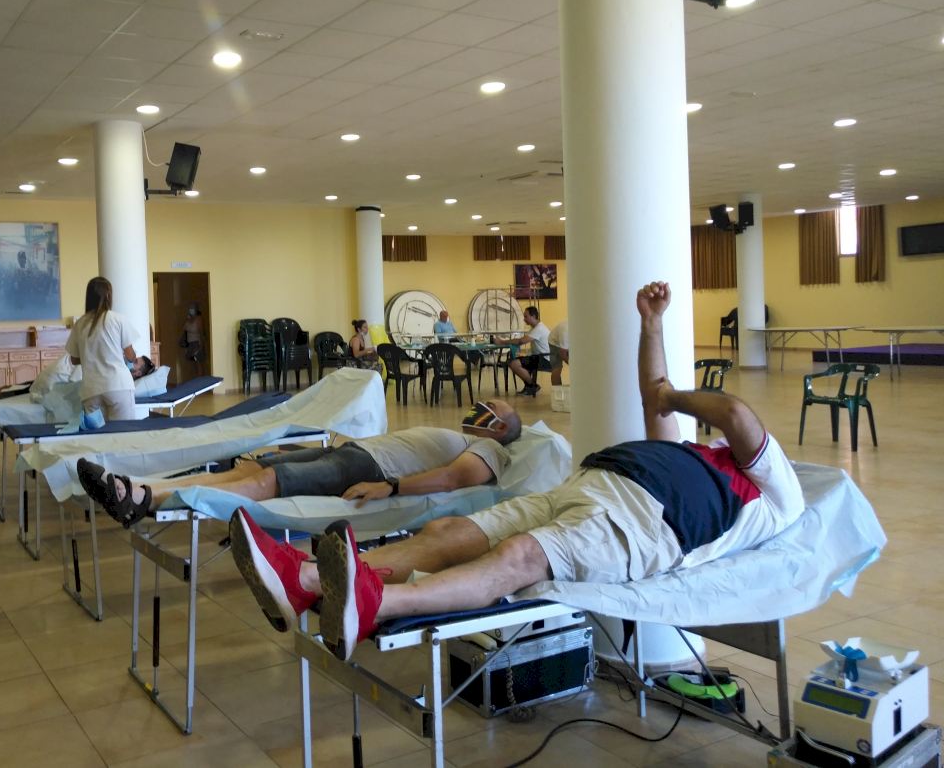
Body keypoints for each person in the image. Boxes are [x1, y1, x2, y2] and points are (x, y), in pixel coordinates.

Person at [230, 281, 805, 658]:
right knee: (447, 532)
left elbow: (730, 412)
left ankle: (373, 605)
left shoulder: (775, 491)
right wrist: (652, 326)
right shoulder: (696, 457)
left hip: (640, 525)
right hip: (588, 488)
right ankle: (309, 579)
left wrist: (671, 396)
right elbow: (654, 395)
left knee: (518, 558)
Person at [77, 400, 523, 528]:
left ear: (501, 427)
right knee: (252, 470)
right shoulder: (466, 435)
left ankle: (142, 501)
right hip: (354, 453)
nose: (482, 406)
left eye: (493, 408)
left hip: (368, 470)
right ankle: (136, 483)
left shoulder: (491, 451)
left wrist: (390, 488)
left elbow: (452, 479)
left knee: (269, 482)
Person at [65, 276, 142, 421]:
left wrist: (90, 355)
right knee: (125, 431)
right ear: (108, 296)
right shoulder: (118, 319)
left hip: (91, 390)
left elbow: (74, 360)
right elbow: (130, 355)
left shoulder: (80, 323)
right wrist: (127, 357)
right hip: (118, 386)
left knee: (98, 434)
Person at [495, 306, 551, 395]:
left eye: (526, 316)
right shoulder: (535, 328)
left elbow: (521, 341)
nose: (524, 319)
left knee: (514, 363)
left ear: (533, 316)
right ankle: (529, 386)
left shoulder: (539, 328)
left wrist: (501, 342)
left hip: (544, 359)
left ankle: (532, 386)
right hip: (538, 357)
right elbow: (521, 341)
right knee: (513, 361)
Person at [549, 320, 569, 386]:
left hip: (566, 342)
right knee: (557, 367)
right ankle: (557, 389)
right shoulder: (565, 331)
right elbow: (563, 354)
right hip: (554, 343)